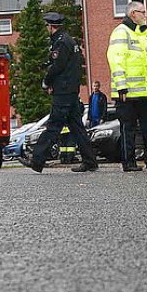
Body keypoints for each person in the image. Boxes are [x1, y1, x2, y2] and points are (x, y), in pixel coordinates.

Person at [28, 11, 98, 173]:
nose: (46, 28)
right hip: (71, 90)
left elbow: (56, 67)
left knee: (54, 125)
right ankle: (90, 161)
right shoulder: (70, 41)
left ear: (51, 27)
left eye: (47, 26)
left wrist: (47, 81)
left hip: (63, 91)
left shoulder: (60, 43)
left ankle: (37, 160)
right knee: (77, 127)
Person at [107, 0, 147, 170]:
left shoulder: (142, 34)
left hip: (144, 92)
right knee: (128, 129)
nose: (145, 15)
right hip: (127, 93)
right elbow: (117, 59)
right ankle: (128, 162)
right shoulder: (121, 32)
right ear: (132, 14)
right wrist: (121, 86)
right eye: (142, 12)